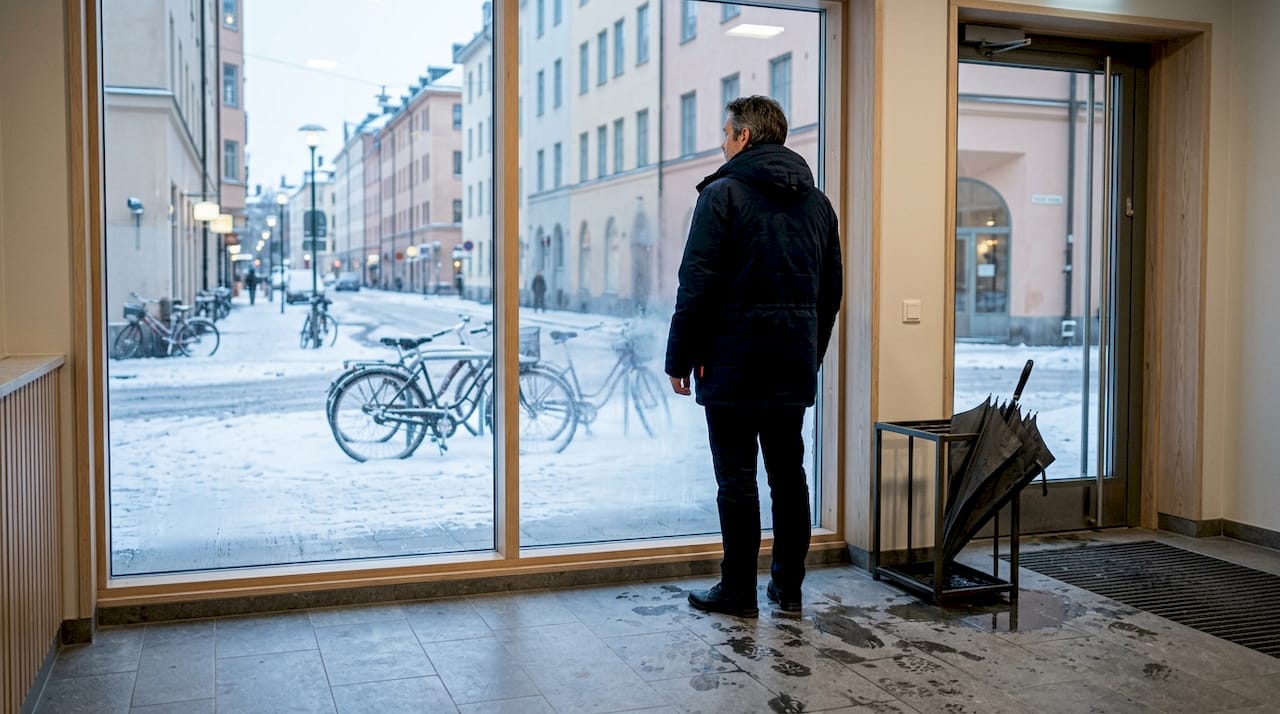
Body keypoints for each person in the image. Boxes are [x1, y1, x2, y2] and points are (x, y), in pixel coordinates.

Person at [665, 96, 843, 618]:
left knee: (737, 479)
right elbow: (829, 294)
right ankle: (788, 589)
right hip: (791, 366)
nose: (722, 143)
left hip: (732, 365)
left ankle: (738, 589)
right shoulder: (818, 204)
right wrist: (809, 354)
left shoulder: (721, 195)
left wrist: (680, 357)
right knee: (789, 478)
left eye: (726, 133)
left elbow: (695, 284)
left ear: (744, 137)